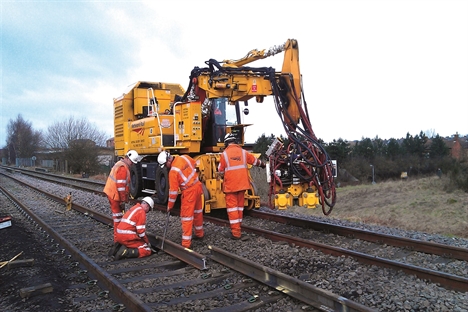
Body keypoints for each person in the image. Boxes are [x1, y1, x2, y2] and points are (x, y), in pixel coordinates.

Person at [218, 133, 266, 240]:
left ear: (226, 143)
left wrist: (221, 175)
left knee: (232, 209)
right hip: (242, 185)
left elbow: (220, 170)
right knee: (239, 207)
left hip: (231, 186)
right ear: (235, 142)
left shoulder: (224, 155)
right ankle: (238, 228)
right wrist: (263, 164)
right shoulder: (243, 153)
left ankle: (236, 233)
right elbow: (255, 161)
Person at [157, 151, 204, 249]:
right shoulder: (184, 157)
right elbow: (194, 164)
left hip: (189, 192)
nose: (166, 167)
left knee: (187, 217)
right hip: (198, 187)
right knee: (197, 212)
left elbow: (173, 192)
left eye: (166, 165)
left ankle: (186, 244)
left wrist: (170, 206)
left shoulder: (173, 172)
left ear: (168, 160)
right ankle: (199, 234)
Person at [104, 150, 140, 244]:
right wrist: (122, 201)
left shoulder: (120, 164)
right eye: (132, 162)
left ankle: (119, 239)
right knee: (118, 219)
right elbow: (120, 187)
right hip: (115, 195)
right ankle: (118, 241)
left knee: (118, 218)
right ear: (127, 158)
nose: (132, 164)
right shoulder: (122, 168)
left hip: (113, 193)